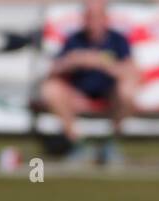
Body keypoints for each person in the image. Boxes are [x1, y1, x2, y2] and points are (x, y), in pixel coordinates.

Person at [37, 0, 139, 166]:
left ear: (105, 18)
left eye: (96, 16)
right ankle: (78, 143)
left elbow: (133, 74)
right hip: (77, 95)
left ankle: (110, 143)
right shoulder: (74, 39)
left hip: (109, 96)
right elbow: (51, 72)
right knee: (51, 89)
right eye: (89, 16)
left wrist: (104, 64)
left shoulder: (118, 40)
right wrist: (73, 60)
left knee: (127, 90)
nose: (92, 21)